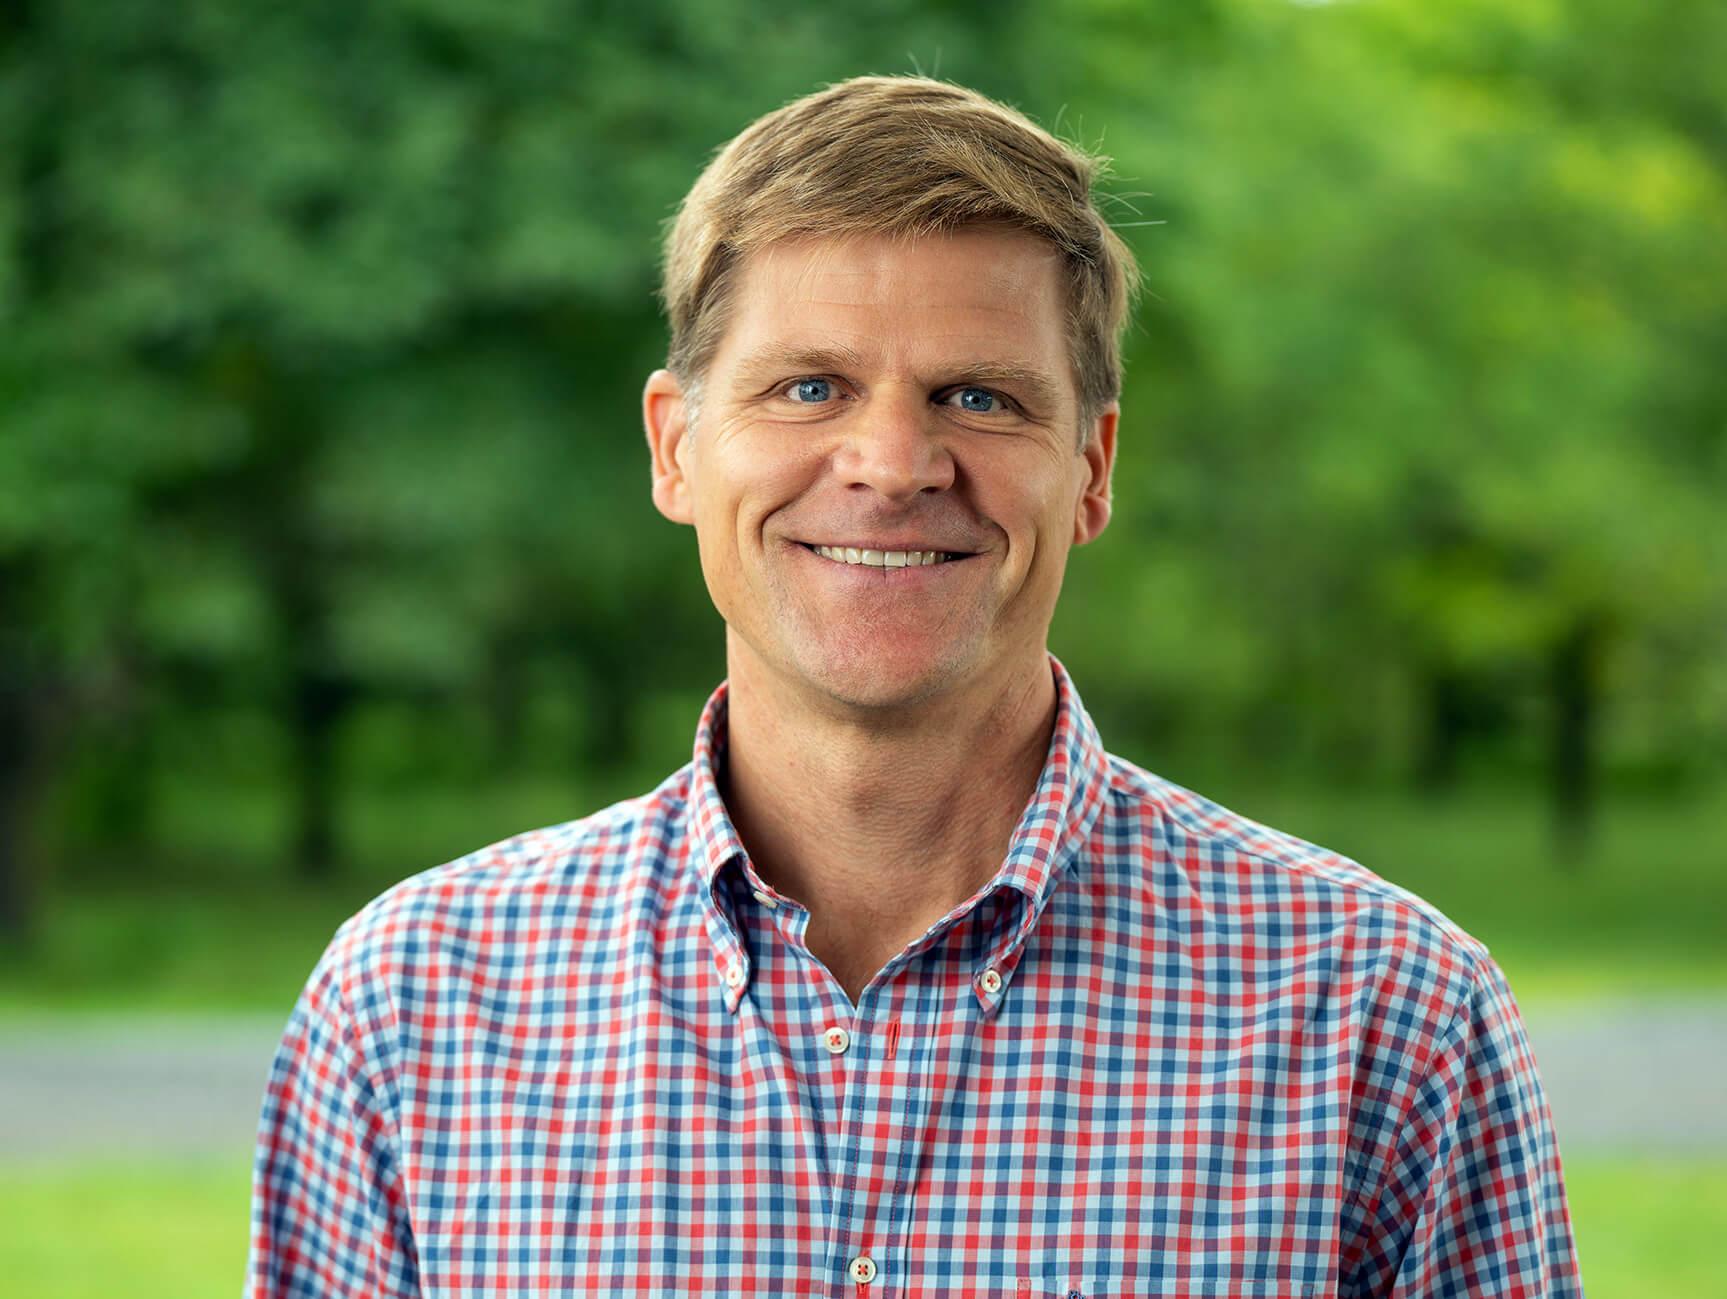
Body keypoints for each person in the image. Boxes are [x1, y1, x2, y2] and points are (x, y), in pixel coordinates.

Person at [246, 75, 1582, 1298]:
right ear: (674, 450)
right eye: (810, 385)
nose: (893, 461)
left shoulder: (1384, 1018)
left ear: (1095, 466)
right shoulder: (412, 1006)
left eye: (980, 399)